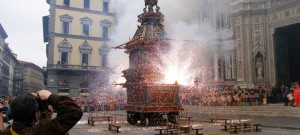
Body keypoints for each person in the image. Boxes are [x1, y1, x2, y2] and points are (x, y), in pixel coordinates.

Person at [0, 90, 83, 135]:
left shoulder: (5, 132)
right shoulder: (41, 131)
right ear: (36, 116)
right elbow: (74, 111)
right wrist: (49, 95)